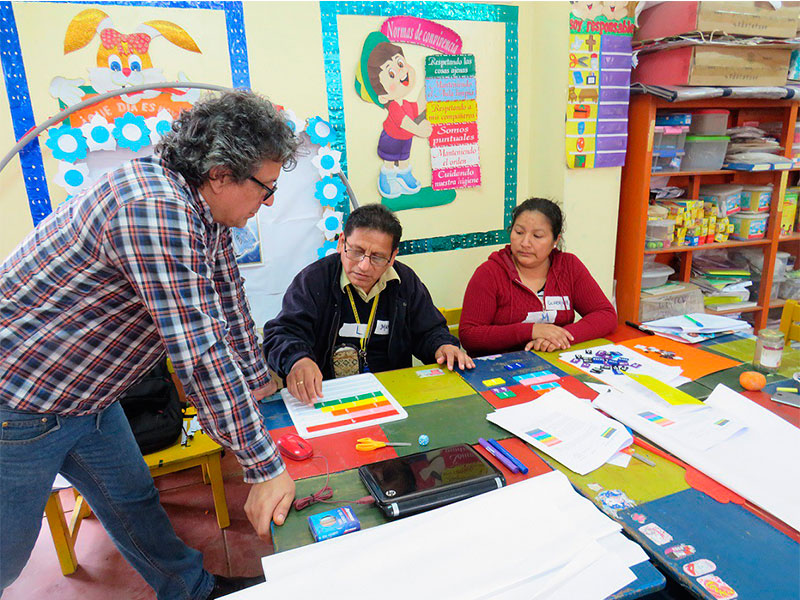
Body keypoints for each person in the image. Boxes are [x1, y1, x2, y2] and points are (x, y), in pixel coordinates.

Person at [0, 90, 299, 599]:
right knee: (6, 553)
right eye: (265, 189)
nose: (268, 202)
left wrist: (258, 384)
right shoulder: (154, 207)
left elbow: (227, 302)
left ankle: (189, 589)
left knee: (133, 500)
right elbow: (198, 351)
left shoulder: (204, 208)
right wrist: (263, 465)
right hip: (23, 401)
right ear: (222, 174)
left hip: (90, 395)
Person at [263, 204, 473, 405]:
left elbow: (428, 330)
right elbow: (283, 333)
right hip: (327, 396)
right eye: (356, 251)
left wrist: (443, 346)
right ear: (341, 242)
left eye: (378, 257)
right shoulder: (314, 280)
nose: (363, 266)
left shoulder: (404, 282)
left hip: (393, 393)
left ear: (392, 257)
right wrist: (298, 360)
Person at [459, 197, 617, 356]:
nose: (525, 242)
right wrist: (532, 331)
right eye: (519, 232)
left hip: (555, 363)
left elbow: (606, 315)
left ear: (555, 240)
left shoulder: (568, 267)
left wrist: (558, 337)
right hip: (500, 368)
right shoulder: (490, 273)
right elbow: (470, 335)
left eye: (537, 236)